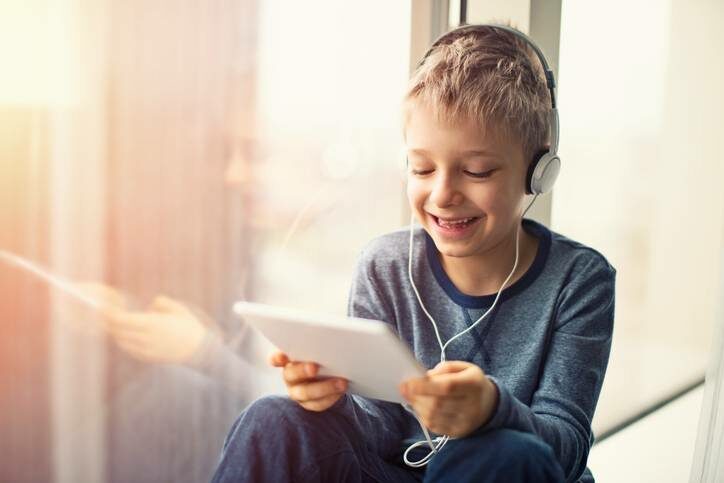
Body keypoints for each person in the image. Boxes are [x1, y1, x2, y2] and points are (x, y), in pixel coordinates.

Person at [211, 24, 615, 483]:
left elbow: (566, 450)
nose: (443, 194)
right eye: (421, 168)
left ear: (538, 172)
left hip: (505, 471)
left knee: (501, 453)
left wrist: (491, 411)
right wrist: (335, 396)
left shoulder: (580, 280)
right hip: (398, 474)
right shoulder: (384, 266)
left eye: (477, 171)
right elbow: (380, 428)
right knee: (273, 418)